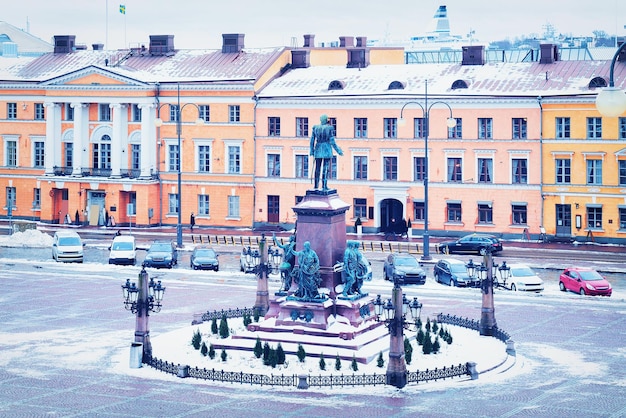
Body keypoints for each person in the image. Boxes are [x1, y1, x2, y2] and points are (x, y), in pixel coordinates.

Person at [310, 114, 343, 191]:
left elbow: (312, 140)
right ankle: (324, 186)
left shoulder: (315, 128)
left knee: (317, 168)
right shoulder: (329, 128)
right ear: (326, 120)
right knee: (325, 168)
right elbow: (332, 141)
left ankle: (316, 185)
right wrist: (338, 151)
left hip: (318, 148)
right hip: (326, 148)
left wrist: (311, 150)